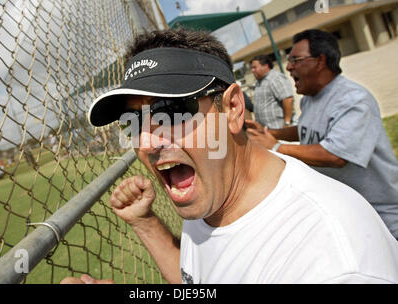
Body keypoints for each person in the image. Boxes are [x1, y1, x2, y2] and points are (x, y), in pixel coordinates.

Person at [62, 28, 398, 284]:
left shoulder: (330, 261)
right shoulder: (213, 194)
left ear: (233, 108)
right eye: (132, 121)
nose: (147, 141)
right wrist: (144, 222)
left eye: (172, 109)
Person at [247, 29, 398, 240]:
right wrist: (267, 132)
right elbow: (306, 131)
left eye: (295, 60)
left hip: (381, 217)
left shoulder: (353, 99)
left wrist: (275, 147)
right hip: (348, 214)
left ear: (320, 61)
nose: (289, 67)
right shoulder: (310, 99)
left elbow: (336, 155)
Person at [250, 55, 295, 129]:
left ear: (266, 66)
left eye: (255, 67)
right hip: (267, 131)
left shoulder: (275, 78)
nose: (252, 70)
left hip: (280, 129)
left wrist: (287, 122)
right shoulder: (259, 82)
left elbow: (288, 99)